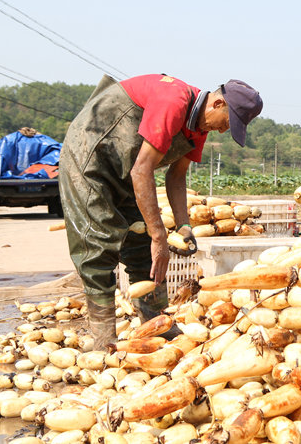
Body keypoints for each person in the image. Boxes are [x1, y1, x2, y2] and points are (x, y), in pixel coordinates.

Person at [60, 74, 263, 347]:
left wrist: (183, 226)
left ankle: (156, 324)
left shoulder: (198, 128)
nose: (224, 131)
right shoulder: (174, 101)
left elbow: (176, 177)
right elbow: (142, 169)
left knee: (143, 246)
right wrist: (160, 237)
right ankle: (102, 339)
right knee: (98, 248)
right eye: (227, 122)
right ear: (217, 104)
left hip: (126, 170)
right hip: (90, 161)